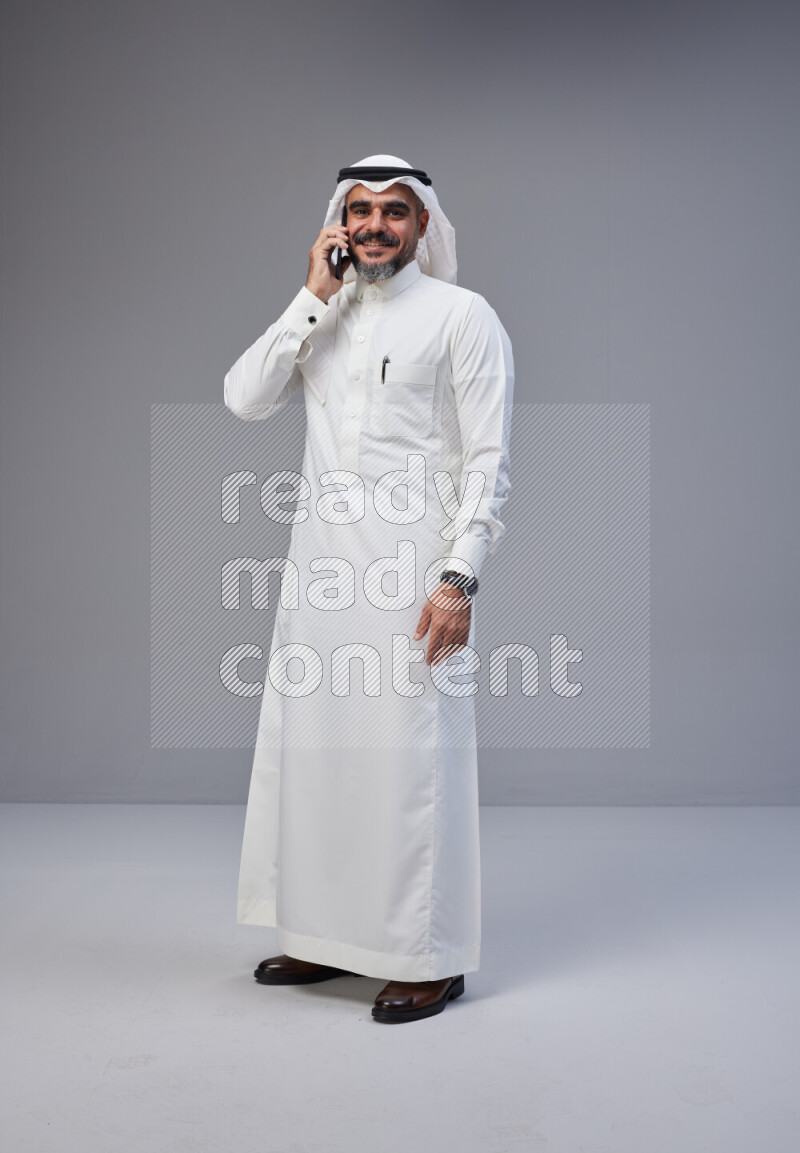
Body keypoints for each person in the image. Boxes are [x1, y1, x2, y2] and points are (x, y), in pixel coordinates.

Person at [224, 154, 514, 1024]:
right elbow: (244, 398)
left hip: (411, 577)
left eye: (394, 210)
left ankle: (427, 956)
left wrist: (459, 578)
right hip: (320, 573)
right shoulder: (326, 313)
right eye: (359, 210)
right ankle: (324, 936)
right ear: (338, 223)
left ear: (423, 224)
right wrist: (311, 294)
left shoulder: (463, 317)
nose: (376, 225)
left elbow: (488, 460)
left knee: (410, 765)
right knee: (320, 759)